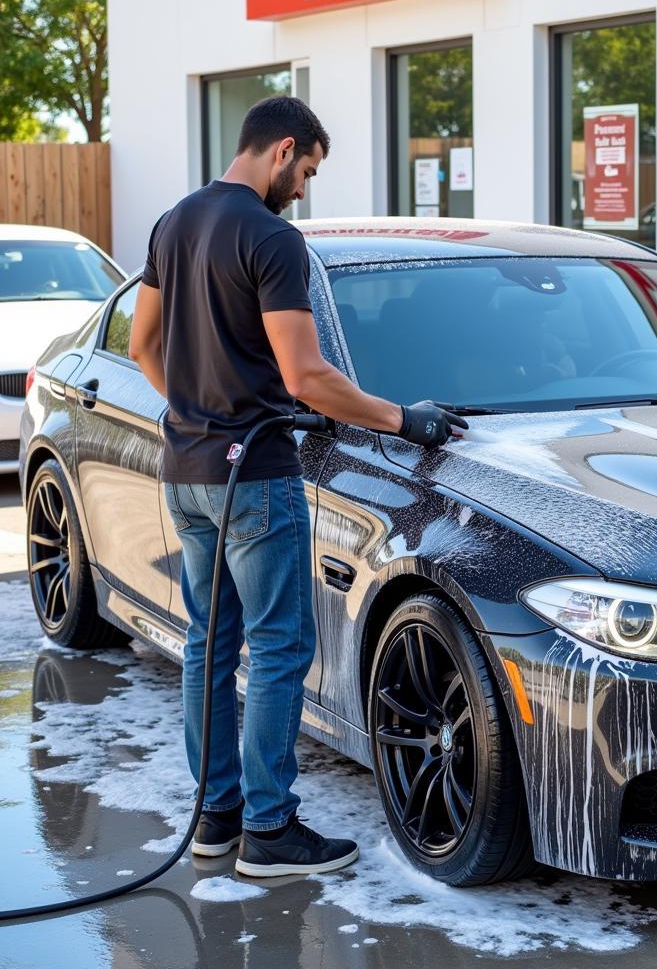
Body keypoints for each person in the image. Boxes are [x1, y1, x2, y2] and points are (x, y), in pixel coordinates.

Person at [128, 96, 466, 878]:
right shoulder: (272, 238)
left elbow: (145, 344)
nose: (305, 189)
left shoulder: (173, 223)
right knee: (281, 647)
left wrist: (196, 409)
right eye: (308, 170)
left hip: (187, 467)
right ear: (283, 150)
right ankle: (271, 831)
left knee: (209, 647)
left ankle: (217, 820)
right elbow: (306, 375)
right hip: (255, 474)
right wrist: (402, 420)